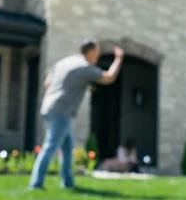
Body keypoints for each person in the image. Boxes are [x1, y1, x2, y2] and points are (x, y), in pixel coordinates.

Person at [29, 40, 124, 189]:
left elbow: (48, 82)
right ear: (91, 51)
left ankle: (68, 182)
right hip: (61, 110)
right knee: (50, 147)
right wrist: (118, 58)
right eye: (97, 52)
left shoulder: (65, 62)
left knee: (67, 148)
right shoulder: (84, 67)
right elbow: (109, 77)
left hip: (50, 106)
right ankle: (36, 183)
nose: (98, 55)